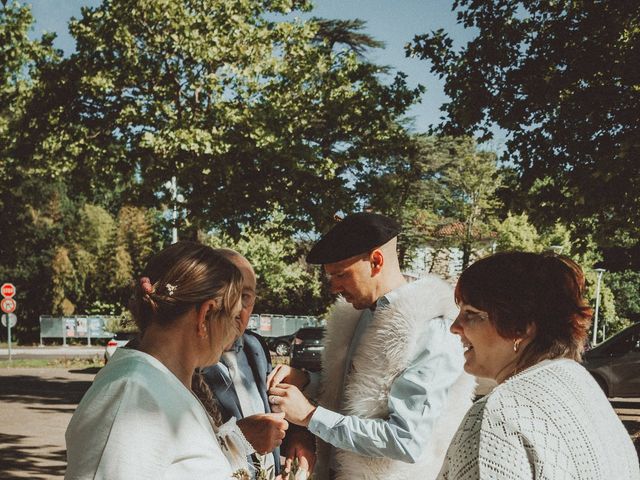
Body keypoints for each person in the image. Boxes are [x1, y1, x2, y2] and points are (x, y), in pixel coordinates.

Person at [267, 212, 476, 480]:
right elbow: (360, 396)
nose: (333, 288)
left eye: (341, 275)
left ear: (376, 261)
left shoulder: (431, 329)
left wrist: (310, 416)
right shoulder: (359, 316)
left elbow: (405, 441)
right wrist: (307, 380)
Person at [65, 241, 266, 479]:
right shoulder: (133, 395)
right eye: (232, 316)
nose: (236, 329)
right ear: (205, 315)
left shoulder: (162, 385)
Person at [438, 251, 640, 480]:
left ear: (520, 327)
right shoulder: (585, 389)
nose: (455, 327)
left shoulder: (497, 416)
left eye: (471, 314)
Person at [202, 249, 313, 479]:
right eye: (230, 294)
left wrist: (298, 438)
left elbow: (273, 412)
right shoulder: (186, 360)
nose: (237, 308)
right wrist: (239, 438)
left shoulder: (255, 346)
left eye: (247, 297)